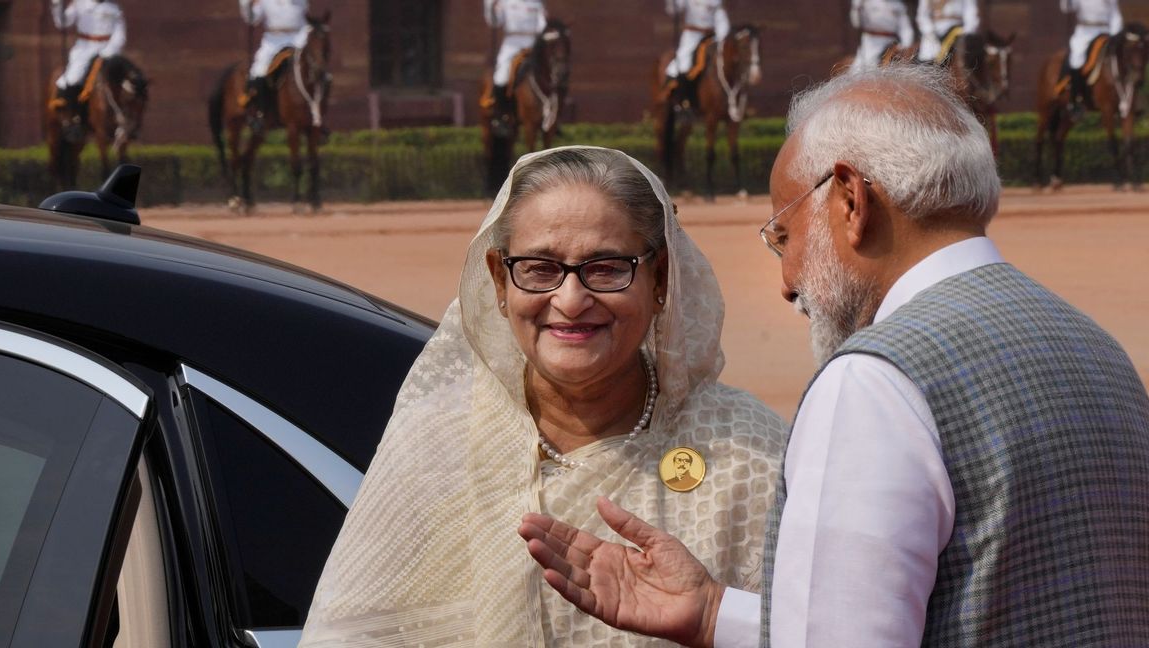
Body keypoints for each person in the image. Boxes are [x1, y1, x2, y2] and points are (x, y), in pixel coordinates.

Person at [519, 64, 1149, 647]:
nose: (788, 282)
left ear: (850, 200)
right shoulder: (1095, 346)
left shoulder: (875, 380)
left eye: (784, 236)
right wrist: (713, 610)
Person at [297, 146, 788, 647]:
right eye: (538, 268)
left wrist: (710, 616)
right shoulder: (436, 441)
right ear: (498, 280)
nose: (571, 301)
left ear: (660, 278)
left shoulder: (748, 450)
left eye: (606, 267)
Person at [239, 0, 310, 131]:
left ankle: (316, 117)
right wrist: (246, 4)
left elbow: (306, 18)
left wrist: (306, 37)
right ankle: (260, 113)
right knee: (258, 71)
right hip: (273, 41)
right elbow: (252, 19)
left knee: (313, 71)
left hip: (298, 40)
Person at [49, 0, 126, 117]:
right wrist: (57, 6)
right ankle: (71, 114)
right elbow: (63, 22)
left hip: (109, 50)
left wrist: (109, 51)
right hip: (85, 48)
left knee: (126, 76)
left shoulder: (114, 8)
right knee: (73, 78)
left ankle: (123, 117)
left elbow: (119, 35)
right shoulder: (80, 3)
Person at [484, 0, 547, 134]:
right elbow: (494, 22)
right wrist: (491, 6)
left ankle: (551, 117)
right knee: (500, 78)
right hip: (512, 43)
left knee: (550, 73)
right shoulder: (506, 2)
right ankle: (501, 116)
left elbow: (542, 25)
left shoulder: (536, 3)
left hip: (533, 44)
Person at [1061, 0, 1124, 115]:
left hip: (1106, 31)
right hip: (1085, 31)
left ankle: (1124, 100)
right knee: (1076, 60)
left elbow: (1115, 14)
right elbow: (1066, 8)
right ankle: (1075, 99)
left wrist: (1116, 34)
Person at [664, 0, 730, 110]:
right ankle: (680, 98)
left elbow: (721, 18)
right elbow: (674, 9)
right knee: (683, 65)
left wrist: (722, 37)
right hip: (692, 35)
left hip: (711, 37)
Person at [848, 0, 915, 73]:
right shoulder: (867, 2)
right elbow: (856, 23)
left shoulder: (898, 5)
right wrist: (856, 7)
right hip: (869, 41)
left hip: (889, 42)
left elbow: (905, 28)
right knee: (859, 68)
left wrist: (905, 45)